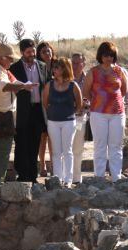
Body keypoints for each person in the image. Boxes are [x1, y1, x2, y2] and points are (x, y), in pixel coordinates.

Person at [0, 44, 37, 188]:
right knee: (1, 151)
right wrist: (24, 87)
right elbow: (4, 86)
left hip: (0, 115)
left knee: (0, 151)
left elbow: (11, 81)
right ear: (1, 57)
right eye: (10, 59)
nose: (11, 62)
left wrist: (23, 85)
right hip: (0, 116)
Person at [82, 42, 128, 182]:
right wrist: (98, 102)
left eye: (112, 55)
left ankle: (116, 178)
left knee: (116, 145)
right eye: (106, 55)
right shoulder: (93, 72)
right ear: (100, 56)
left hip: (117, 113)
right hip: (98, 113)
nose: (109, 58)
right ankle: (99, 177)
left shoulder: (120, 71)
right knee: (100, 145)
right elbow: (85, 92)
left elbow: (124, 90)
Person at [9, 39, 48, 183]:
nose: (32, 54)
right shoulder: (14, 68)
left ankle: (33, 175)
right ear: (22, 52)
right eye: (28, 52)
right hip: (21, 111)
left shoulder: (42, 66)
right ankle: (22, 175)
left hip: (38, 110)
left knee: (35, 143)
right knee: (21, 143)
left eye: (33, 51)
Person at [43, 57, 83, 187]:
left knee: (68, 151)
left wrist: (70, 113)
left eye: (57, 67)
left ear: (64, 69)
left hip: (68, 121)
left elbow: (79, 104)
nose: (54, 70)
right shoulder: (49, 84)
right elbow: (45, 103)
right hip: (53, 121)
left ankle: (68, 180)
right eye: (54, 67)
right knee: (55, 152)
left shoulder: (73, 85)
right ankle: (57, 179)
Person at [37, 42, 57, 176]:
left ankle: (54, 165)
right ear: (39, 54)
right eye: (43, 51)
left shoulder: (58, 65)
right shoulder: (37, 67)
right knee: (42, 136)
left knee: (53, 136)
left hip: (56, 105)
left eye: (48, 51)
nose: (47, 53)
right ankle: (42, 165)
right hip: (41, 104)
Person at [71, 53, 89, 184]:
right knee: (65, 149)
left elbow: (93, 98)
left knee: (77, 148)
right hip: (65, 118)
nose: (75, 65)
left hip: (81, 118)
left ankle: (76, 178)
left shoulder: (89, 79)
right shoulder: (65, 78)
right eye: (73, 62)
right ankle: (65, 177)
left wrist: (86, 105)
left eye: (78, 63)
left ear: (84, 64)